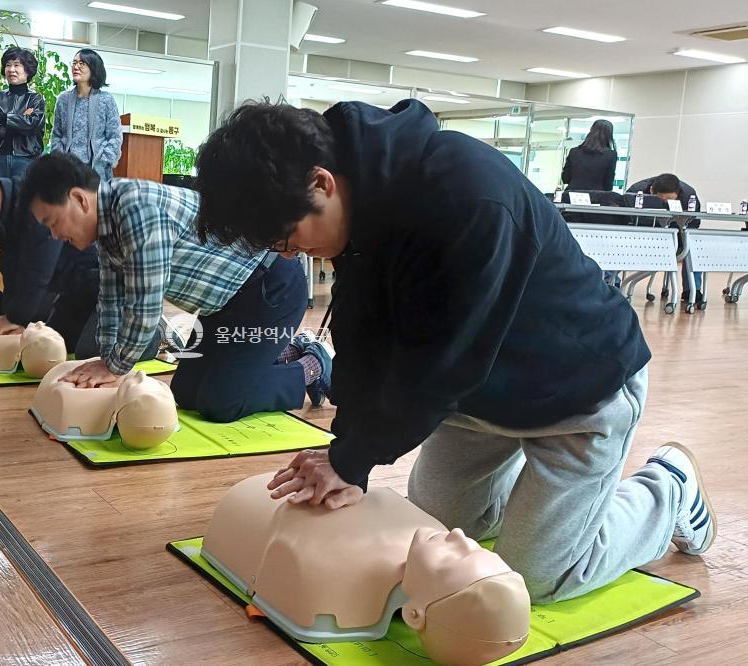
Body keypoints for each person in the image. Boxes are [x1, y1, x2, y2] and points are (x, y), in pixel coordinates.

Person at [192, 100, 716, 604]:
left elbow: (446, 357)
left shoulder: (465, 194)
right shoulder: (357, 204)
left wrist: (352, 460)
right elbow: (360, 336)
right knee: (433, 537)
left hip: (579, 394)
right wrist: (347, 448)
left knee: (537, 580)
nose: (290, 253)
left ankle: (667, 491)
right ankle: (527, 503)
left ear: (321, 183)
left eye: (286, 239)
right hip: (477, 402)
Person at [19, 152, 333, 423]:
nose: (56, 235)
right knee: (184, 393)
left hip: (268, 288)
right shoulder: (107, 229)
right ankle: (286, 350)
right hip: (224, 304)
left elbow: (145, 304)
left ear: (78, 198)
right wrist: (106, 360)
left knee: (221, 402)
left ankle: (313, 364)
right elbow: (111, 301)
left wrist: (114, 367)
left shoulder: (134, 207)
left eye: (52, 222)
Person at [0, 162, 105, 347]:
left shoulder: (35, 203)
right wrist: (10, 315)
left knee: (85, 352)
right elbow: (9, 264)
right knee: (46, 342)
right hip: (69, 287)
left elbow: (39, 268)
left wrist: (18, 319)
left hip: (101, 282)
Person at [627, 173, 703, 302]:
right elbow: (626, 218)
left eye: (669, 200)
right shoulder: (636, 191)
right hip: (642, 234)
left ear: (677, 193)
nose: (665, 203)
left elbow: (693, 224)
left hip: (674, 235)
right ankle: (611, 284)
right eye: (661, 200)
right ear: (651, 191)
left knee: (693, 247)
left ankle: (692, 290)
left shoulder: (689, 195)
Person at [50, 49, 122, 181]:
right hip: (67, 171)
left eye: (82, 63)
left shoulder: (106, 100)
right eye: (74, 62)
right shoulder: (63, 99)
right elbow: (57, 135)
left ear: (93, 68)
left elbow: (115, 136)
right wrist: (59, 160)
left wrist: (103, 161)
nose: (76, 66)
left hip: (96, 170)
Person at [0, 47, 45, 179]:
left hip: (26, 160)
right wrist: (21, 121)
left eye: (17, 65)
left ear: (28, 70)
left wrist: (1, 117)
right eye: (8, 65)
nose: (11, 70)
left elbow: (32, 125)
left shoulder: (35, 99)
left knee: (23, 199)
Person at [561, 119, 618, 192]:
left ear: (591, 131)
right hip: (596, 196)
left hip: (572, 194)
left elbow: (565, 178)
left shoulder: (574, 152)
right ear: (609, 135)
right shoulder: (611, 155)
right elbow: (608, 183)